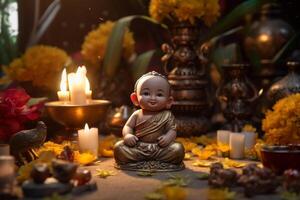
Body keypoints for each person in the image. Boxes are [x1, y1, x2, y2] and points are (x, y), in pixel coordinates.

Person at [113, 71, 185, 171]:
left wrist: (168, 138)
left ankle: (147, 160)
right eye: (146, 93)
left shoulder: (167, 115)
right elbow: (128, 127)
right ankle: (146, 160)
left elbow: (172, 130)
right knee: (119, 148)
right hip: (138, 147)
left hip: (159, 148)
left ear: (169, 101)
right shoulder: (137, 114)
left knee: (178, 149)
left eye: (159, 94)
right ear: (135, 99)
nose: (152, 98)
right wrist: (127, 135)